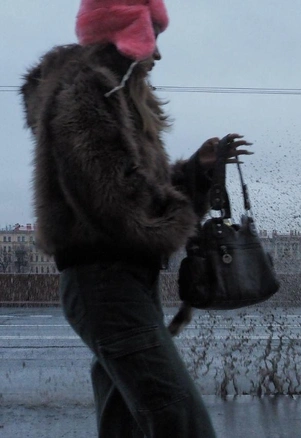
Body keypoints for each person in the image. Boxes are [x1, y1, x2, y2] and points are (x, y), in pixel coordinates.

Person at [20, 0, 251, 436]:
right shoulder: (89, 89)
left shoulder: (111, 93)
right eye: (153, 38)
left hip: (119, 281)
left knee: (125, 422)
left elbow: (131, 191)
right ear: (126, 33)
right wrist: (180, 215)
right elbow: (114, 202)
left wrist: (196, 173)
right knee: (181, 419)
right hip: (106, 285)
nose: (157, 54)